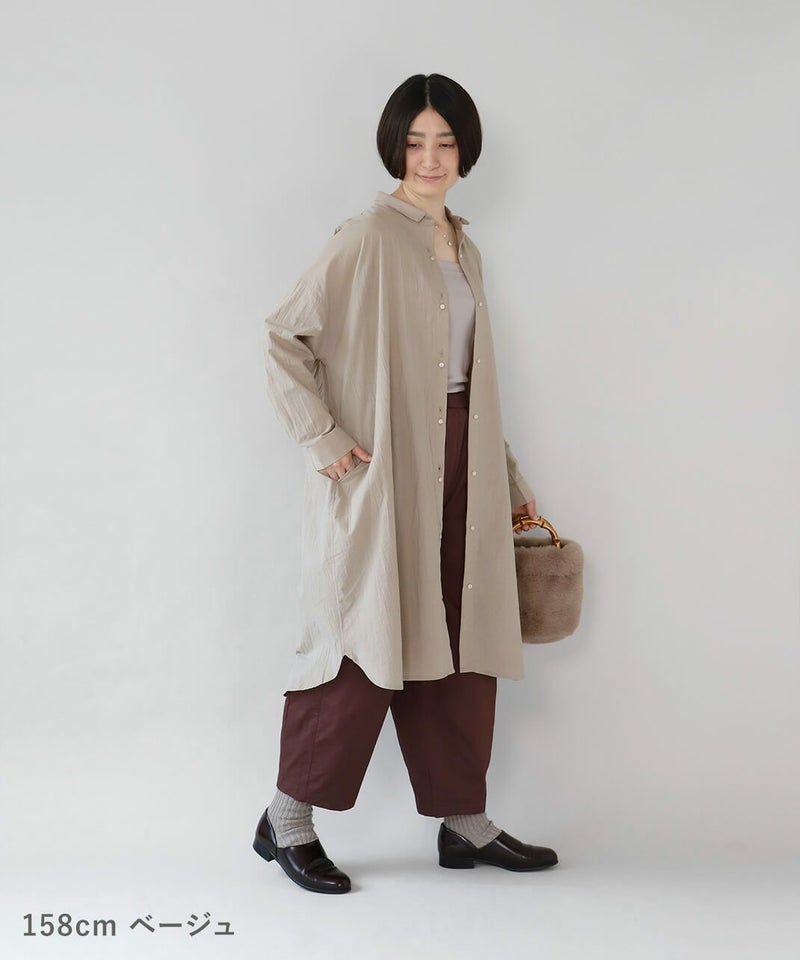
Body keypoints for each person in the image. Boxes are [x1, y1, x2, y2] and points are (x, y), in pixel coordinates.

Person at [252, 73, 558, 894]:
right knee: (366, 632)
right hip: (384, 466)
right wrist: (324, 437)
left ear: (466, 151)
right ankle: (287, 817)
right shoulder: (366, 236)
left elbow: (471, 379)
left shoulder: (466, 246)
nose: (430, 158)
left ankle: (464, 821)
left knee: (464, 632)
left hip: (465, 459)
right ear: (395, 147)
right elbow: (282, 336)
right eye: (416, 142)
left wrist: (507, 477)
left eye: (445, 142)